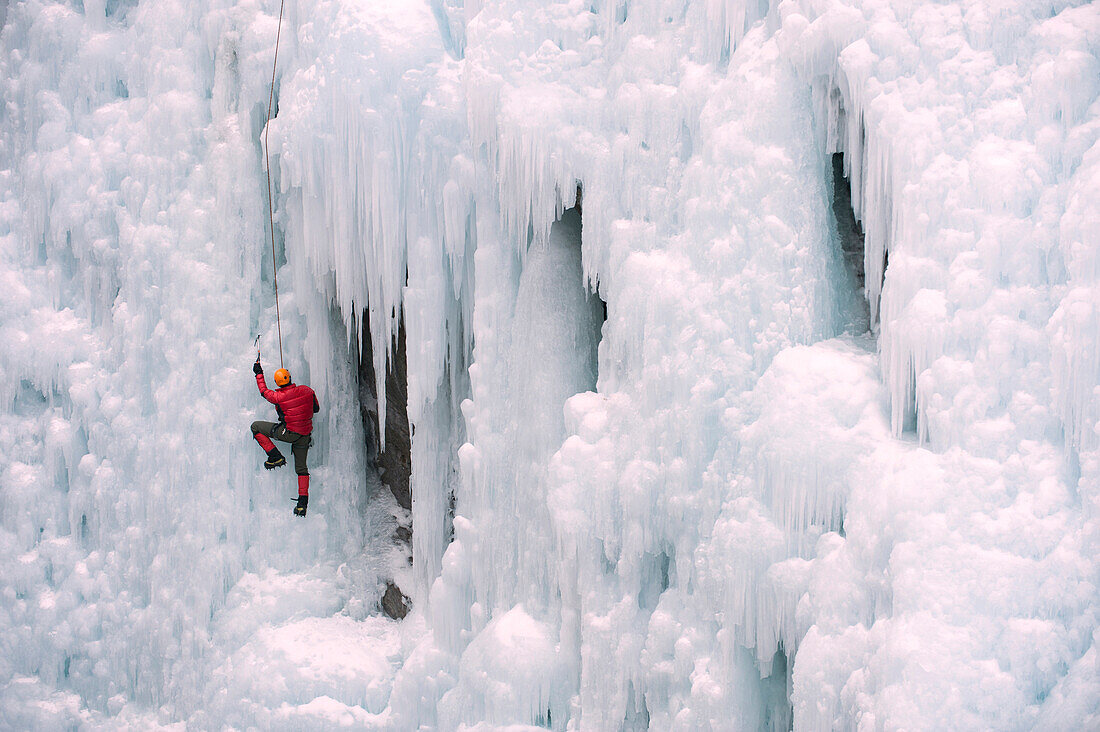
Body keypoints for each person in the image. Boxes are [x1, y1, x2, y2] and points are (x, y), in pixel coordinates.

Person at [251, 357, 319, 516]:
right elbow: (316, 409)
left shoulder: (278, 397)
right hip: (305, 435)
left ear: (278, 382)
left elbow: (263, 391)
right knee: (301, 469)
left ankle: (275, 456)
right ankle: (302, 504)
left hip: (289, 434)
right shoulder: (307, 391)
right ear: (290, 378)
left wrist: (258, 373)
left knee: (256, 427)